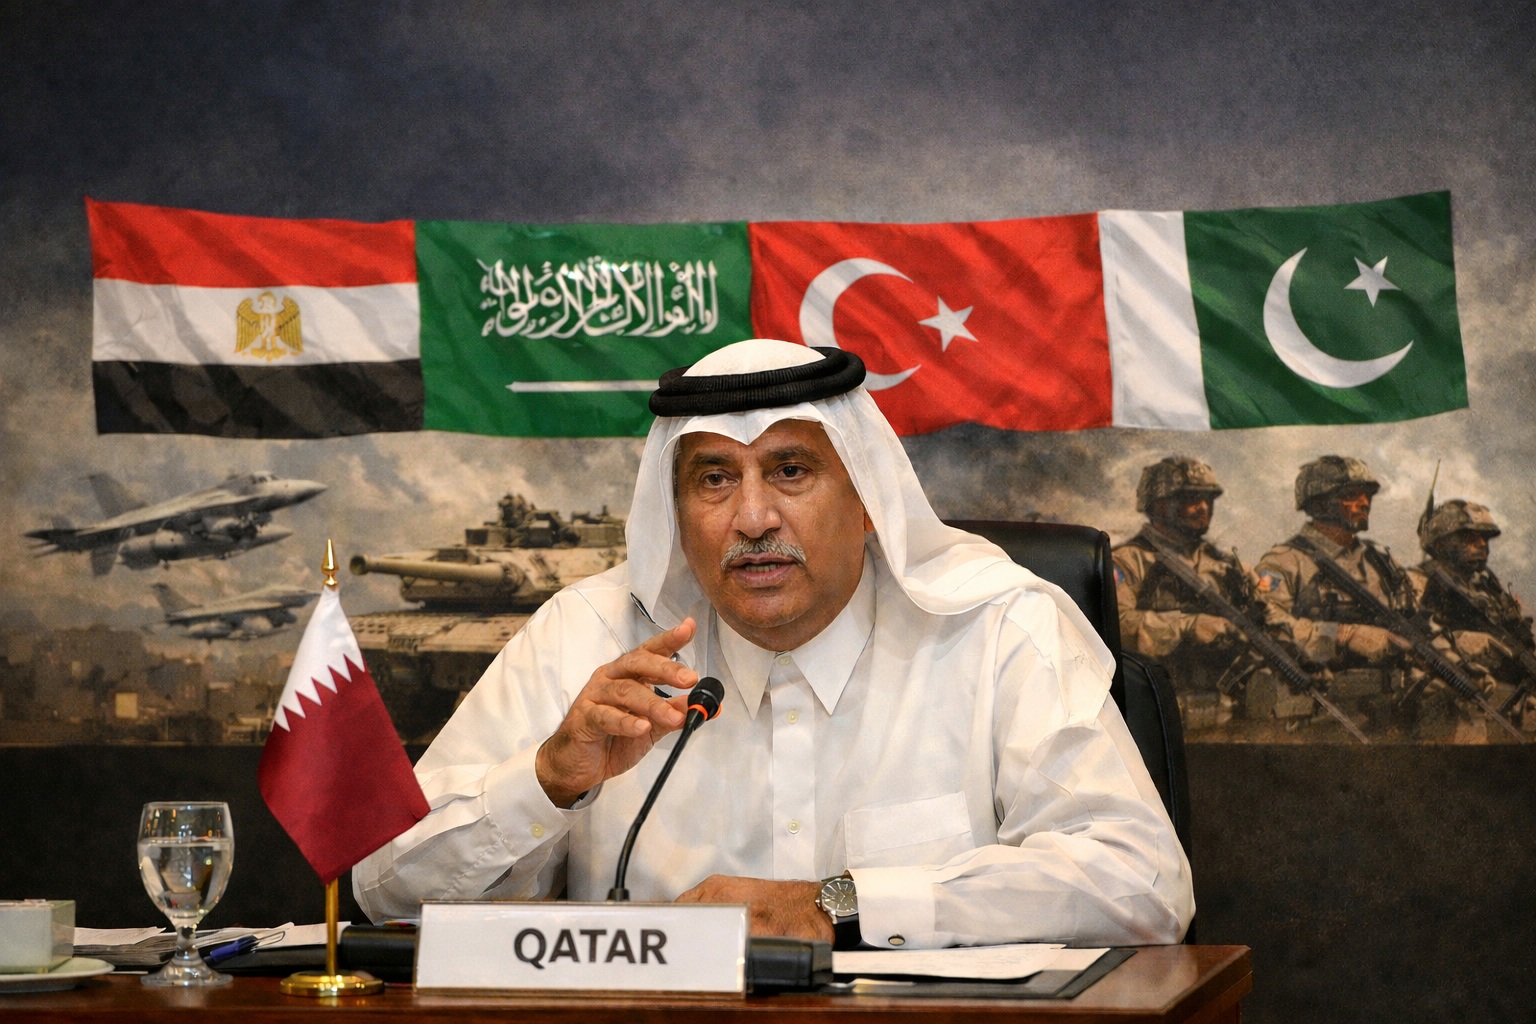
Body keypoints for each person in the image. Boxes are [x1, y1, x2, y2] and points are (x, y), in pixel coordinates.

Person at [354, 339, 1193, 949]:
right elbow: (382, 886)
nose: (753, 518)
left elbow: (1141, 882)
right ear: (677, 513)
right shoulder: (589, 635)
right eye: (715, 479)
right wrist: (547, 781)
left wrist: (836, 904)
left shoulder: (997, 626)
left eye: (791, 471)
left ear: (867, 498)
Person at [1112, 457, 1304, 734]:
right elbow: (1113, 626)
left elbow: (1270, 613)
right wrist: (1188, 625)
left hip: (1231, 715)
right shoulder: (1128, 561)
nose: (1203, 507)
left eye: (1207, 499)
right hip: (1156, 716)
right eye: (1192, 498)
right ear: (1159, 504)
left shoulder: (1228, 566)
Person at [1253, 456, 1436, 737]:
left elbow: (1415, 627)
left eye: (1367, 495)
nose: (1365, 502)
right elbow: (1263, 625)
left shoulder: (1382, 562)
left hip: (1393, 712)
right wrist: (1343, 635)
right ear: (1318, 503)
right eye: (1351, 495)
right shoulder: (1284, 561)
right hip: (1321, 716)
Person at [1409, 500, 1536, 728]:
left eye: (1485, 538)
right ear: (1441, 543)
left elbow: (1517, 630)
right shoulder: (1419, 580)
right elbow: (1413, 640)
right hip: (1452, 698)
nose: (1482, 544)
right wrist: (1464, 641)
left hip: (1504, 695)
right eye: (1469, 537)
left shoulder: (1486, 585)